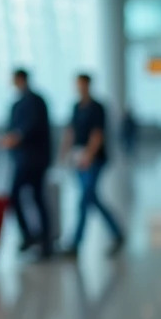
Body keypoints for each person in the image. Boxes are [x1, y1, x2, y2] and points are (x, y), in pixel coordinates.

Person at [58, 74, 125, 258]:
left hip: (94, 160)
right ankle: (117, 232)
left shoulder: (97, 107)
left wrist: (89, 155)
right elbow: (71, 131)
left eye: (82, 84)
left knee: (84, 199)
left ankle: (75, 242)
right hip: (78, 159)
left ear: (88, 85)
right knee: (92, 198)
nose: (79, 88)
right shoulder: (76, 107)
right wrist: (64, 152)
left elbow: (97, 134)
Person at [1, 69, 54, 259]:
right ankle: (33, 237)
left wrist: (16, 138)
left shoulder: (35, 101)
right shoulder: (17, 103)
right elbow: (12, 127)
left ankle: (40, 240)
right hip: (22, 158)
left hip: (34, 159)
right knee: (31, 198)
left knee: (28, 197)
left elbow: (30, 128)